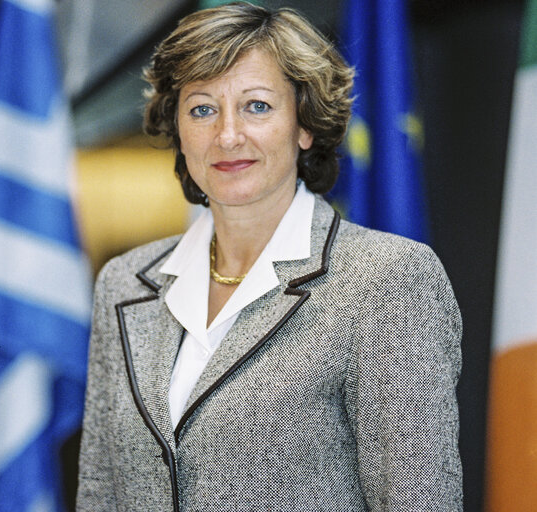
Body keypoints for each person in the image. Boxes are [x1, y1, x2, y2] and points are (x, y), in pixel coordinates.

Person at [76, 3, 463, 511]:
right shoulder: (124, 283)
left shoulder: (386, 281)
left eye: (256, 105)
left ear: (304, 125)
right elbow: (100, 494)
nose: (227, 134)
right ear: (178, 131)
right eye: (202, 109)